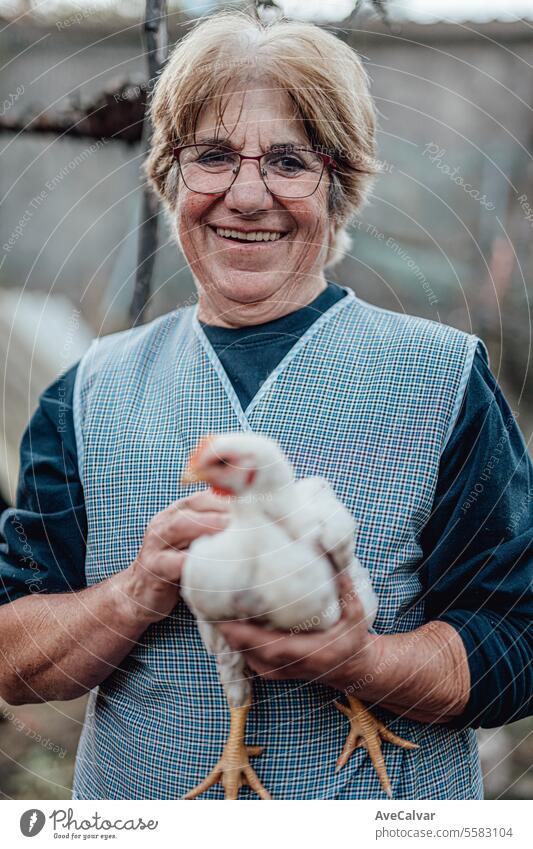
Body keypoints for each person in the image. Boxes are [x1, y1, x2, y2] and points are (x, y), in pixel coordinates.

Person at [0, 10, 531, 800]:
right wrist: (137, 587)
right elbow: (14, 656)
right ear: (168, 179)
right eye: (210, 156)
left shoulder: (440, 378)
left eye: (289, 161)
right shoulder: (85, 392)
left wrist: (362, 661)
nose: (246, 195)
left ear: (339, 184)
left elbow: (516, 643)